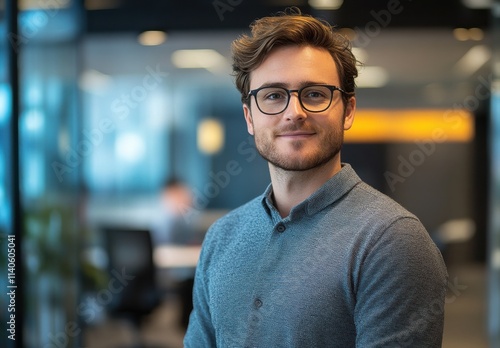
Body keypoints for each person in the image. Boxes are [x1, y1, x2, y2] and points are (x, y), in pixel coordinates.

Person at [184, 8, 448, 347]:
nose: (294, 113)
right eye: (274, 96)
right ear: (250, 118)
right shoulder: (222, 237)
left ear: (348, 110)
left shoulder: (392, 242)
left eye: (314, 94)